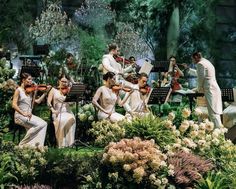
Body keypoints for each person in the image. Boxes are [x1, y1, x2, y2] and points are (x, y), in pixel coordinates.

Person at [12, 73, 47, 147]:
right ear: (23, 80)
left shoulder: (30, 91)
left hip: (29, 116)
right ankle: (22, 144)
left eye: (32, 79)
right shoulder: (18, 90)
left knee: (44, 124)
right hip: (20, 116)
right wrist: (23, 113)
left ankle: (36, 147)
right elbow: (14, 105)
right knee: (41, 124)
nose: (31, 81)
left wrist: (44, 93)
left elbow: (37, 102)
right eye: (29, 79)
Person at [192, 52, 222, 128]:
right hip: (214, 89)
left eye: (193, 59)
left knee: (213, 114)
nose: (193, 61)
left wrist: (197, 90)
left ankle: (219, 135)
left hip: (210, 91)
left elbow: (200, 79)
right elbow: (203, 75)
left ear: (196, 57)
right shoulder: (207, 62)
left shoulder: (200, 64)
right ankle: (219, 134)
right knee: (215, 114)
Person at [47, 74, 76, 148]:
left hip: (67, 111)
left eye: (66, 82)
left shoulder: (68, 91)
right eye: (62, 81)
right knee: (62, 120)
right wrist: (53, 110)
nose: (64, 83)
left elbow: (72, 105)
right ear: (59, 81)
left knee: (72, 119)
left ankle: (70, 144)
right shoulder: (53, 90)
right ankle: (61, 144)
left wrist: (71, 98)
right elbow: (48, 102)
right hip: (57, 112)